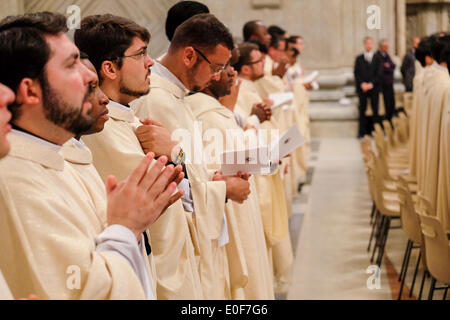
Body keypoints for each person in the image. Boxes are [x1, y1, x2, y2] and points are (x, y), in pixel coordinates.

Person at [0, 12, 182, 300]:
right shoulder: (17, 180)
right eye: (71, 64)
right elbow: (81, 290)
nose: (89, 75)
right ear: (30, 90)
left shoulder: (58, 160)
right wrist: (126, 227)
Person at [74, 14, 204, 300]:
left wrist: (172, 153)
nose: (151, 63)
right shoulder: (103, 131)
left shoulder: (130, 120)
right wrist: (173, 154)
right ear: (109, 68)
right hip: (155, 273)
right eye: (141, 54)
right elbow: (170, 197)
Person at [131, 13, 251, 299]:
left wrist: (211, 177)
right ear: (188, 55)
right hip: (172, 242)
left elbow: (184, 160)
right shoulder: (155, 98)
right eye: (216, 67)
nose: (216, 76)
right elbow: (173, 186)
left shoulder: (176, 95)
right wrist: (223, 189)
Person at [186, 49, 274, 299]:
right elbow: (219, 168)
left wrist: (266, 158)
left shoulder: (215, 111)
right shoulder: (207, 116)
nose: (233, 73)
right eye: (225, 66)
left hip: (239, 201)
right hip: (231, 212)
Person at [233, 42, 293, 295]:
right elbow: (245, 137)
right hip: (255, 178)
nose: (264, 66)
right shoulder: (241, 91)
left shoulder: (250, 88)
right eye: (258, 62)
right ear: (244, 69)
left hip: (266, 165)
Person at [354, 36, 383, 138]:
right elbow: (356, 73)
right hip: (363, 89)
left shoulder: (377, 58)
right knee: (362, 110)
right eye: (367, 43)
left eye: (370, 43)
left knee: (375, 110)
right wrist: (362, 84)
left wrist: (371, 84)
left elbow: (379, 74)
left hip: (373, 88)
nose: (369, 45)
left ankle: (374, 131)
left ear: (373, 44)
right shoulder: (359, 58)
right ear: (364, 44)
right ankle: (362, 132)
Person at [375, 39, 396, 123]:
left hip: (389, 83)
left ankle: (389, 121)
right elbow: (381, 68)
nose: (386, 48)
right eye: (385, 46)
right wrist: (387, 67)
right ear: (381, 47)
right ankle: (384, 123)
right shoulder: (377, 56)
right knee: (384, 106)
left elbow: (393, 65)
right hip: (382, 85)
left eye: (387, 46)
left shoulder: (387, 56)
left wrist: (388, 66)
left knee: (391, 104)